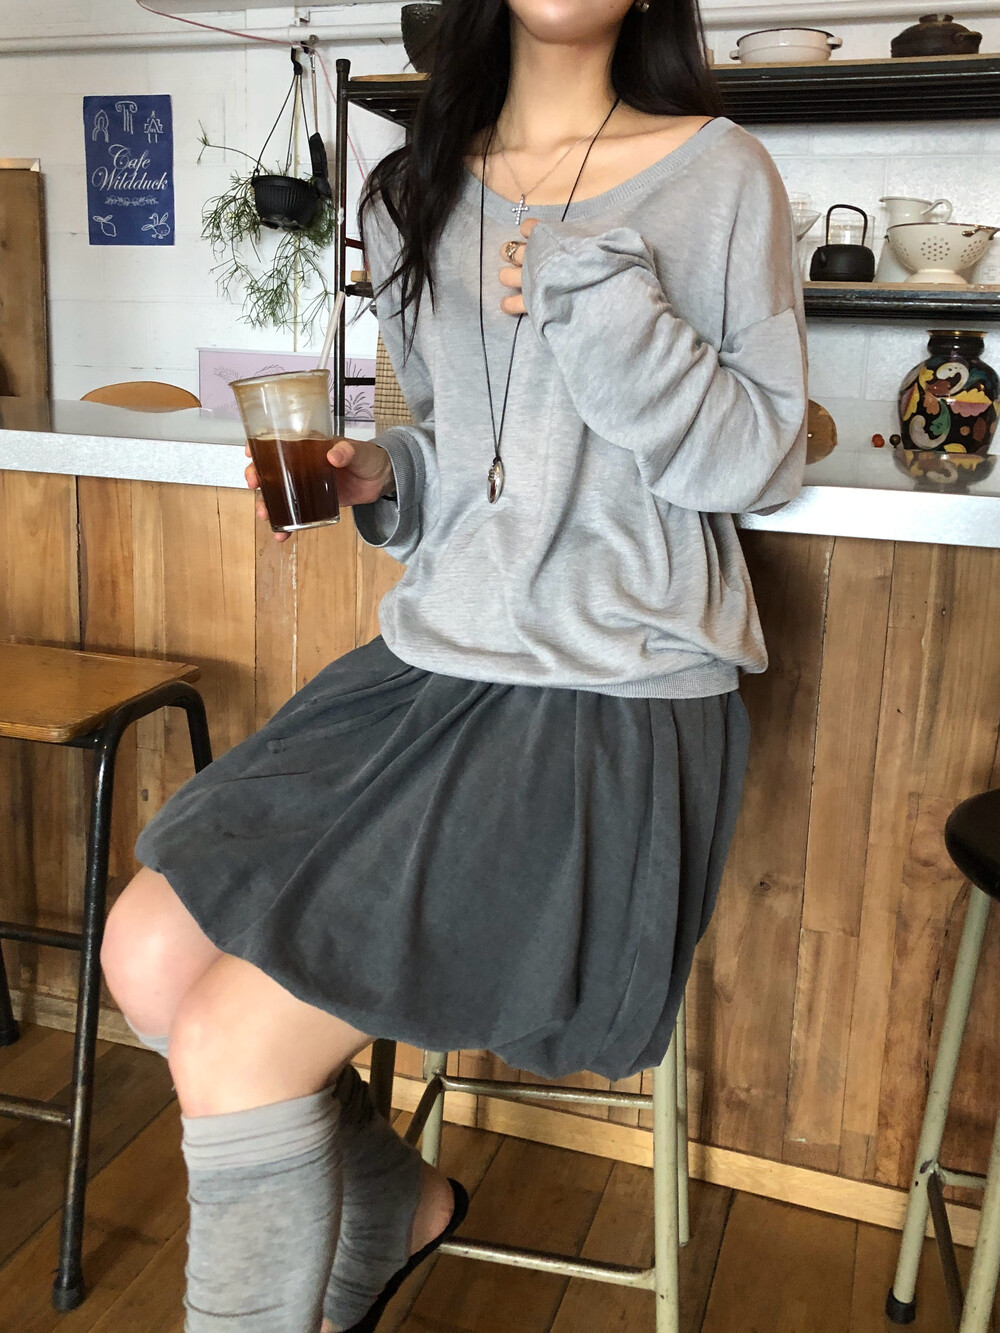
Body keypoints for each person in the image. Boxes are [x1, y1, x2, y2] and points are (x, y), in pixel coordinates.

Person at [100, 0, 809, 1328]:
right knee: (145, 952)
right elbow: (467, 456)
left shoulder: (722, 175)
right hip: (433, 663)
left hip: (611, 693)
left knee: (233, 1044)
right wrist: (382, 473)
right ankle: (395, 1204)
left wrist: (609, 309)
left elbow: (760, 464)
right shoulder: (410, 191)